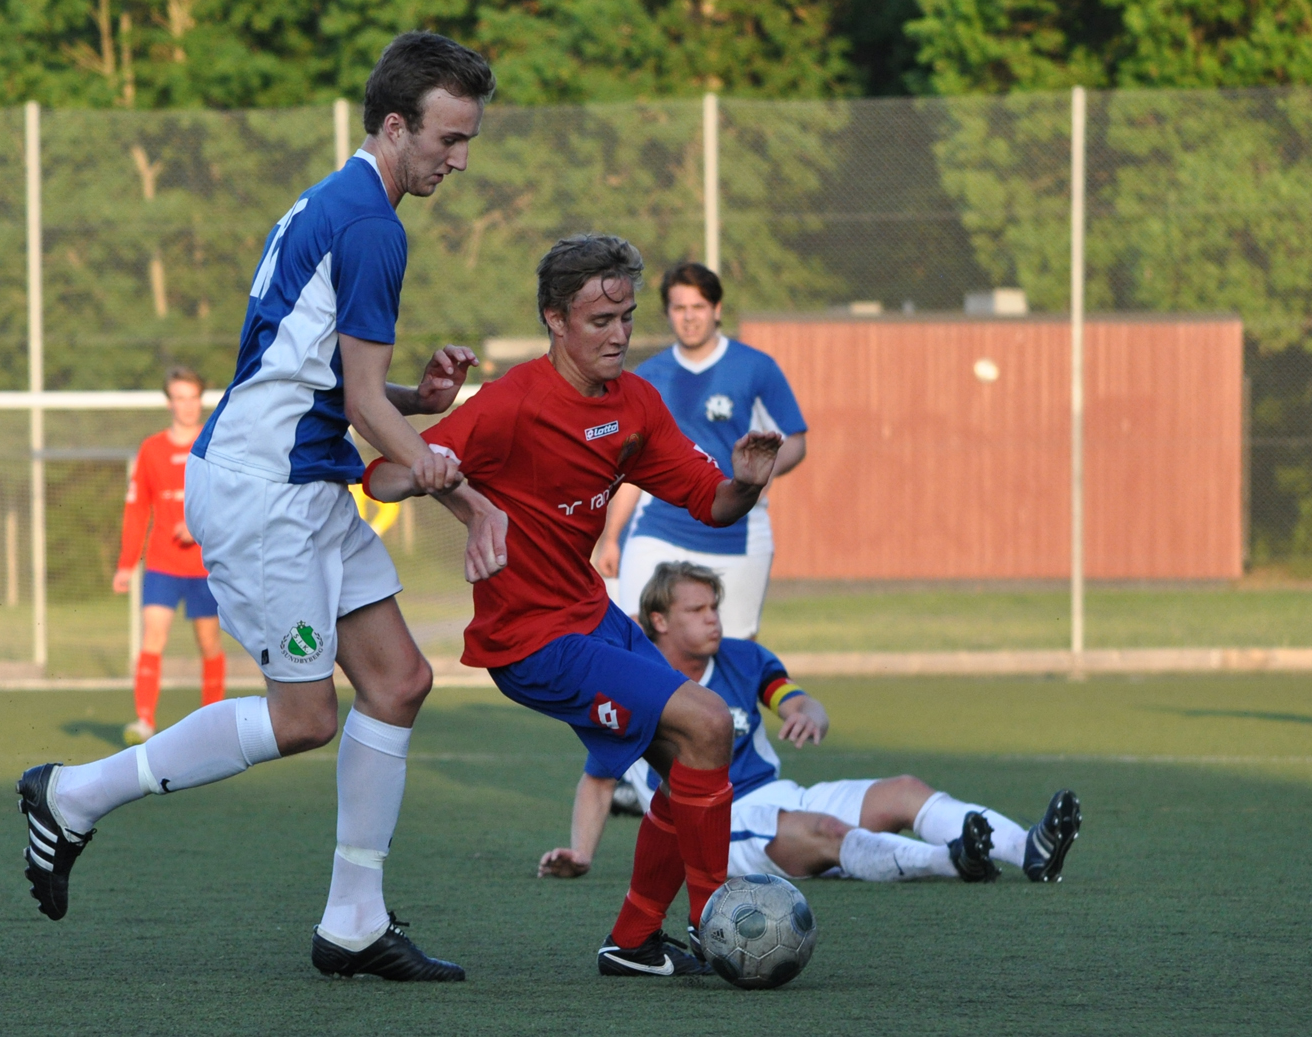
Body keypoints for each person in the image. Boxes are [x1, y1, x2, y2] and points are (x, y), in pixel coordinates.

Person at [16, 32, 502, 983]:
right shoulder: (372, 226)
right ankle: (72, 794)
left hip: (303, 480)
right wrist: (471, 502)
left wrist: (418, 401)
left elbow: (328, 382)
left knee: (399, 681)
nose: (459, 159)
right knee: (305, 716)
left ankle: (354, 922)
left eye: (467, 139)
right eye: (448, 138)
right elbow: (359, 406)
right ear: (394, 126)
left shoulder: (333, 201)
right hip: (265, 492)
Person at [365, 234, 782, 977]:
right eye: (600, 321)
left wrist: (747, 482)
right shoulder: (511, 403)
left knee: (692, 754)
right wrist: (428, 469)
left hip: (591, 617)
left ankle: (635, 943)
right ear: (556, 321)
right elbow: (383, 478)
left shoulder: (636, 403)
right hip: (530, 642)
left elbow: (712, 503)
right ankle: (719, 922)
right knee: (710, 721)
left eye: (626, 318)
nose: (618, 335)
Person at [539, 562, 1082, 886]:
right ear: (658, 620)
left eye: (715, 607)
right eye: (697, 610)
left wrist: (807, 714)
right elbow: (598, 779)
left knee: (903, 790)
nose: (713, 619)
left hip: (781, 795)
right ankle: (951, 862)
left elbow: (797, 701)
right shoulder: (635, 681)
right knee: (826, 832)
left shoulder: (743, 658)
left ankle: (1027, 850)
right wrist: (581, 854)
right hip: (718, 828)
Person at [596, 262, 808, 639]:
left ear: (717, 309)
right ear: (667, 313)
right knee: (639, 641)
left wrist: (764, 473)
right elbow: (632, 468)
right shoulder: (647, 378)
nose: (689, 317)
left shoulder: (755, 368)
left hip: (735, 534)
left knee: (732, 651)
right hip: (659, 529)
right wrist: (611, 537)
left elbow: (795, 440)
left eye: (698, 307)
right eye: (679, 308)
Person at [113, 366, 225, 746]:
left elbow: (231, 500)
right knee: (153, 636)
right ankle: (145, 720)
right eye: (179, 398)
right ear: (169, 403)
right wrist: (126, 564)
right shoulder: (152, 449)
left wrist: (198, 526)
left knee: (208, 643)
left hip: (204, 566)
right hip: (162, 563)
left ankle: (212, 722)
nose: (186, 405)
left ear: (200, 400)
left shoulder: (215, 446)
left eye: (192, 398)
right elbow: (136, 510)